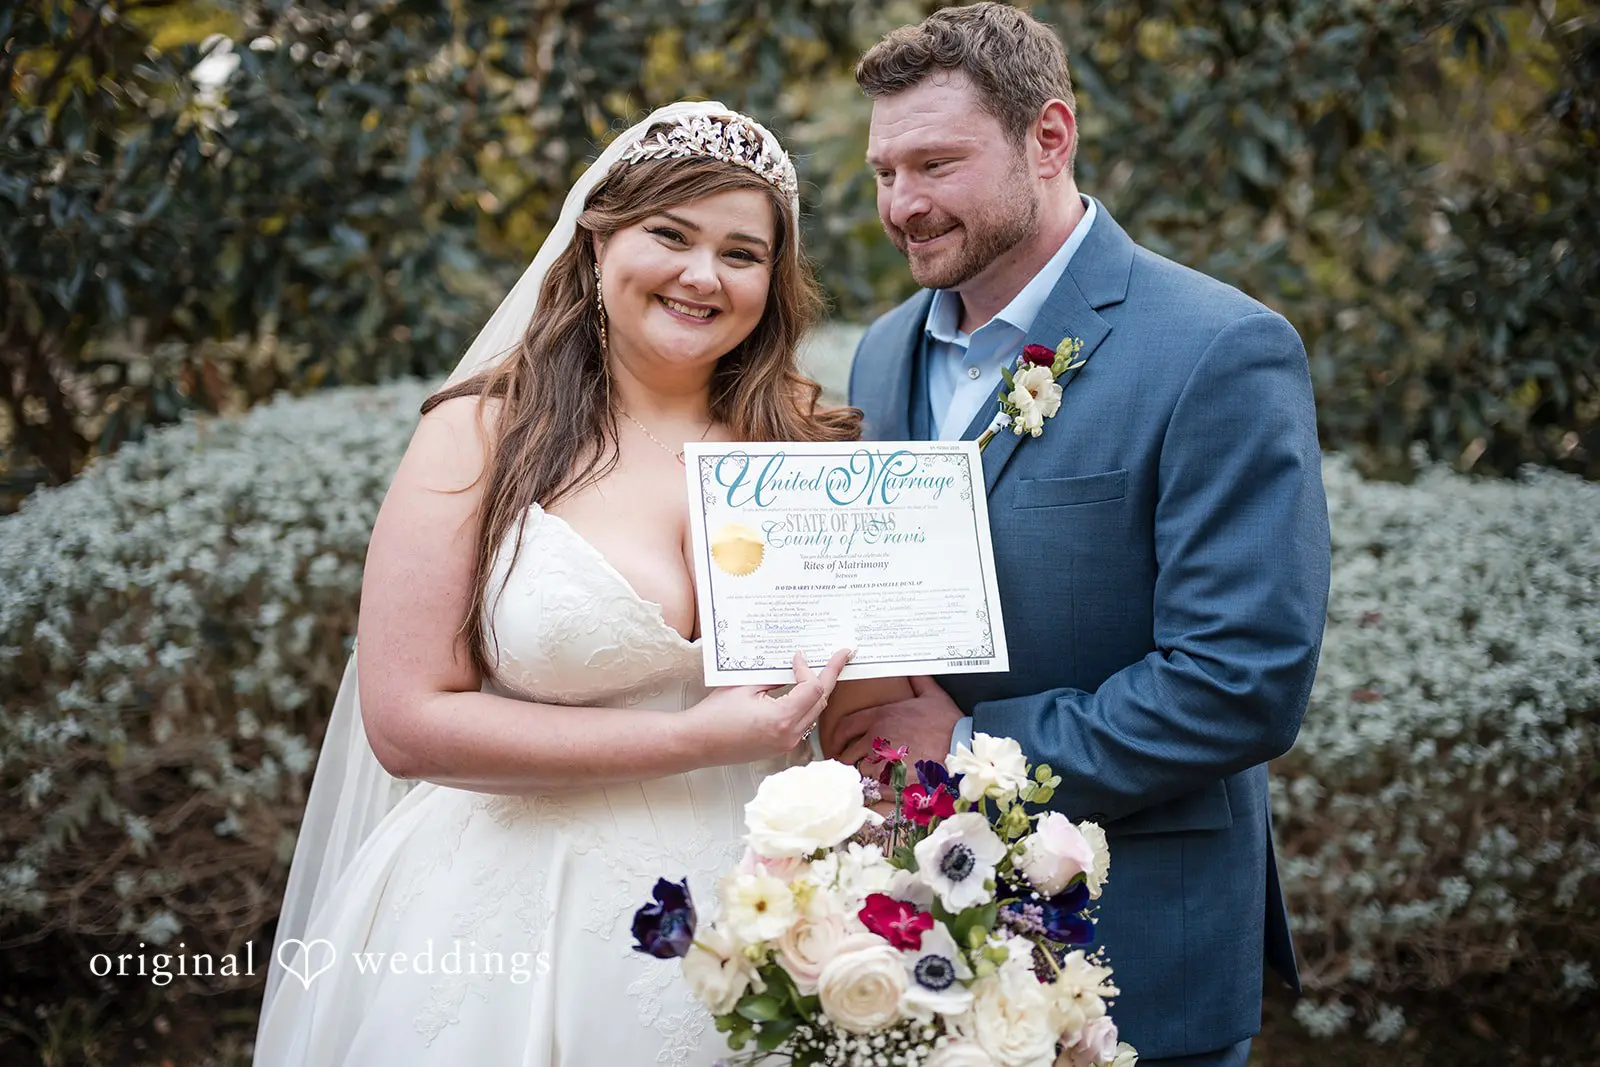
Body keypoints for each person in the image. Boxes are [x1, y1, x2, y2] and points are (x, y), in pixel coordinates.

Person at [253, 102, 862, 1065]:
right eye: (671, 234)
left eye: (742, 253)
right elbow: (405, 723)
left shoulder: (808, 454)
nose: (703, 275)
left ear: (772, 281)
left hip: (763, 912)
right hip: (519, 913)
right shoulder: (481, 435)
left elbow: (875, 688)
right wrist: (691, 739)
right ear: (597, 238)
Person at [821, 5, 1332, 1066]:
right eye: (884, 172)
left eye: (935, 164)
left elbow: (1239, 680)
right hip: (906, 952)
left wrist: (969, 748)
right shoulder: (882, 352)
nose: (902, 204)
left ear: (1048, 138)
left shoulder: (1217, 349)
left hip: (1132, 941)